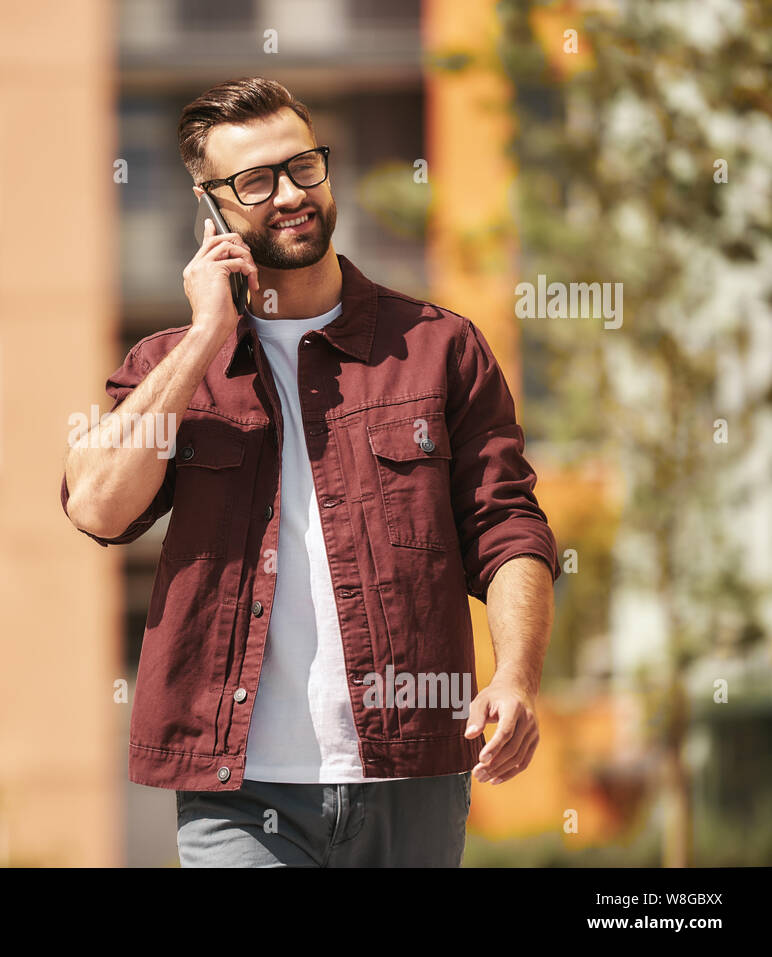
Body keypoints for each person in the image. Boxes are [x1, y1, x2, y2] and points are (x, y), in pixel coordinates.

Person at [59, 77, 560, 867]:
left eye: (304, 167)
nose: (289, 194)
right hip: (239, 786)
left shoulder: (437, 347)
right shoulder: (168, 365)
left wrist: (518, 676)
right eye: (255, 181)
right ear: (211, 207)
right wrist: (202, 338)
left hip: (411, 772)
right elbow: (97, 507)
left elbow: (508, 528)